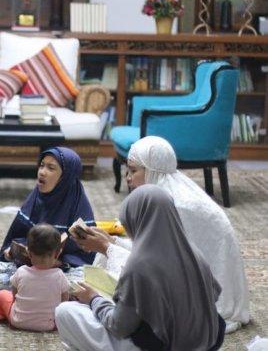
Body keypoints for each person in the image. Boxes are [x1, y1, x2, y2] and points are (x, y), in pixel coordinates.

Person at [73, 136, 250, 333]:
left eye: (133, 170)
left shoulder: (176, 205)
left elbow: (157, 266)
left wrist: (107, 248)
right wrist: (111, 240)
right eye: (127, 170)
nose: (127, 177)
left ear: (153, 171)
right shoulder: (163, 194)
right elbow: (151, 249)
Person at [56, 185, 225, 351]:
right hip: (206, 342)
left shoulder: (139, 265)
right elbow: (213, 297)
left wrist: (93, 299)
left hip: (164, 345)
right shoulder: (193, 252)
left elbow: (119, 326)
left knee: (65, 311)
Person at [0, 147, 95, 296]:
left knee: (85, 282)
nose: (42, 172)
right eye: (41, 165)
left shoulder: (78, 205)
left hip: (63, 273)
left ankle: (32, 290)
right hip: (29, 270)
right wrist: (12, 252)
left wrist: (59, 262)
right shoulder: (35, 200)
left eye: (51, 168)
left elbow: (87, 255)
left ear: (65, 177)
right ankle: (45, 293)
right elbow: (17, 238)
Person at [0, 224, 69, 332]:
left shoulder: (21, 271)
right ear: (57, 254)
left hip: (18, 322)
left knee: (1, 295)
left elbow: (14, 294)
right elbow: (65, 301)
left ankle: (0, 315)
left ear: (28, 253)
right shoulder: (59, 275)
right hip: (49, 325)